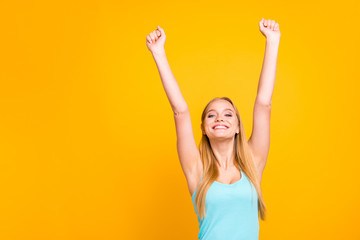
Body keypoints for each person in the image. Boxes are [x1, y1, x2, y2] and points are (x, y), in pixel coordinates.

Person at [146, 18, 280, 240]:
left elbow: (264, 104)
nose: (220, 118)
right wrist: (158, 53)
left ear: (238, 126)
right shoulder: (196, 168)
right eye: (211, 115)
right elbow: (180, 111)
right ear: (204, 129)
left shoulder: (253, 163)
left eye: (228, 114)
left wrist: (272, 42)